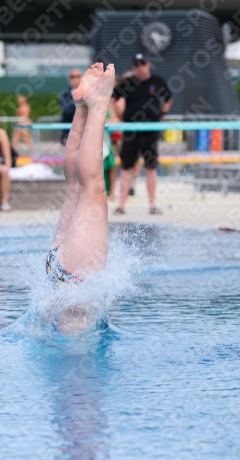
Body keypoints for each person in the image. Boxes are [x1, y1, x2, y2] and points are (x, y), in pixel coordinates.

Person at [46, 61, 115, 296]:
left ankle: (86, 108)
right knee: (82, 189)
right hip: (66, 273)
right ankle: (90, 107)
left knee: (84, 188)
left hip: (67, 274)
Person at [112, 53, 173, 214]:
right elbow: (113, 97)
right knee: (126, 168)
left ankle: (152, 204)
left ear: (148, 65)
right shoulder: (129, 82)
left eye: (142, 64)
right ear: (134, 67)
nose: (140, 68)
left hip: (150, 131)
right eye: (137, 65)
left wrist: (161, 114)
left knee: (150, 168)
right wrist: (119, 115)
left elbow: (168, 98)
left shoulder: (157, 82)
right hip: (131, 131)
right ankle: (121, 205)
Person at [59, 69, 81, 145]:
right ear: (69, 79)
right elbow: (66, 111)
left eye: (77, 76)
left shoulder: (87, 93)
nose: (75, 79)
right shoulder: (65, 95)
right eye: (72, 77)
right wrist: (78, 101)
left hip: (84, 132)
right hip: (69, 133)